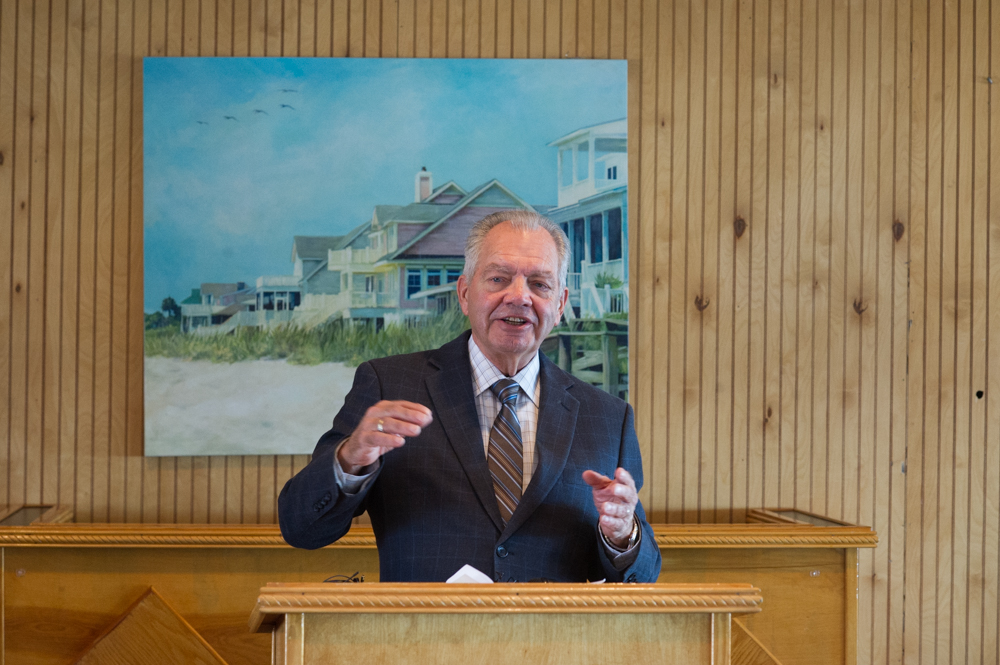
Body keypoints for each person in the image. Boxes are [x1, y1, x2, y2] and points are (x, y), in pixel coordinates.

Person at [278, 210, 660, 583]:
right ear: (464, 293)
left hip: (557, 643)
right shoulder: (389, 384)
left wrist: (623, 535)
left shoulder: (609, 417)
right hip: (422, 639)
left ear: (559, 305)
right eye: (498, 278)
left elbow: (644, 574)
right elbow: (302, 529)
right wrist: (349, 460)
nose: (519, 297)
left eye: (539, 285)